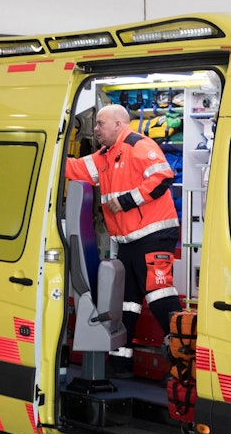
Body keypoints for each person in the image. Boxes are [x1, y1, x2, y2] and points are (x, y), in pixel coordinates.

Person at [65, 104, 181, 376]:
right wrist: (53, 151)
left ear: (118, 124)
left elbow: (163, 176)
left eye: (100, 123)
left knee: (159, 297)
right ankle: (120, 363)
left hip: (153, 236)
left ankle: (184, 366)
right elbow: (76, 169)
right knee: (126, 302)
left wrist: (127, 201)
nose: (96, 129)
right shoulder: (105, 155)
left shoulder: (138, 145)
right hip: (129, 241)